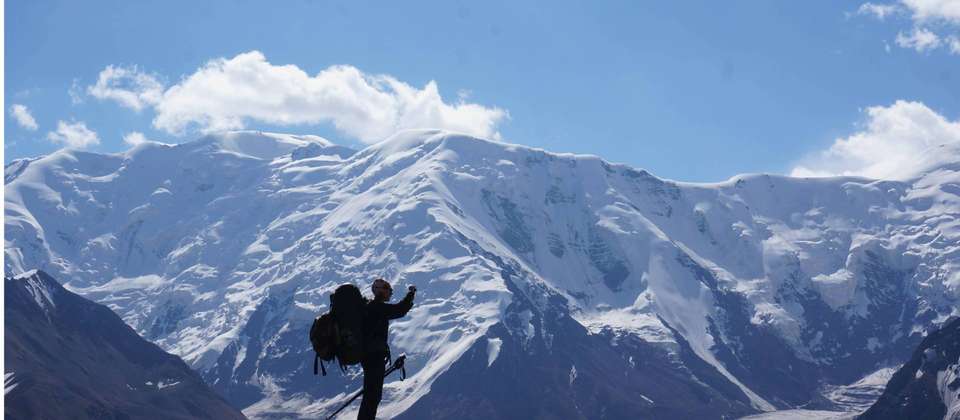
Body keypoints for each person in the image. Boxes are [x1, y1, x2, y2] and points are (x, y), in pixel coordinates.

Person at [358, 279, 416, 420]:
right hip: (374, 357)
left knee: (370, 395)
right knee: (373, 396)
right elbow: (399, 310)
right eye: (388, 290)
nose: (390, 293)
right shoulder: (377, 308)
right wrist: (410, 294)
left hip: (368, 356)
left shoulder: (369, 307)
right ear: (381, 291)